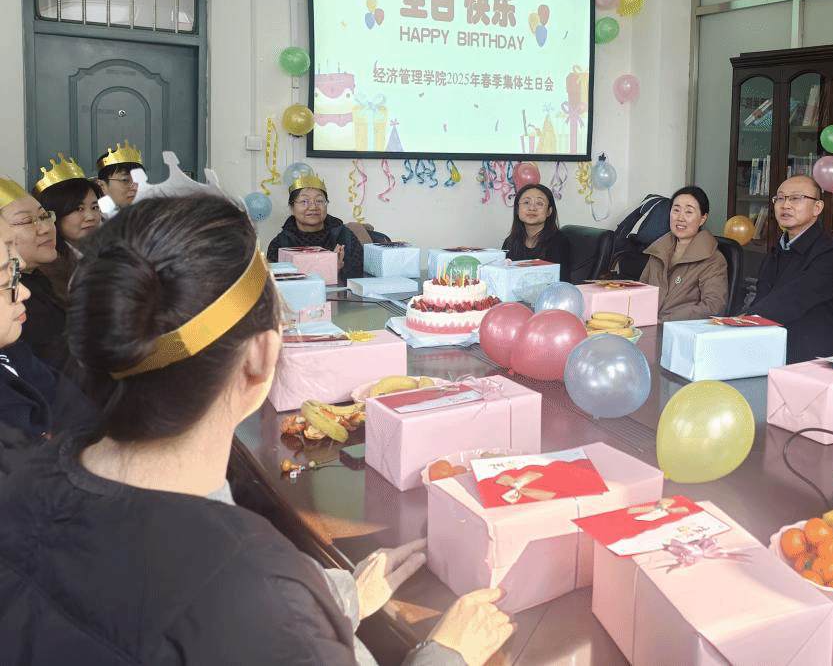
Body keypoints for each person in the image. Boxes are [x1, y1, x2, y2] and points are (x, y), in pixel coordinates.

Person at [0, 195, 514, 665]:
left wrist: (335, 598)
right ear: (261, 355)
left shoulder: (20, 479)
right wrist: (447, 653)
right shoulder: (254, 597)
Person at [747, 174, 833, 363]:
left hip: (813, 356)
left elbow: (794, 298)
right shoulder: (779, 247)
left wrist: (745, 320)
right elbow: (763, 295)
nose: (785, 205)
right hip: (773, 343)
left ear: (817, 207)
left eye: (795, 198)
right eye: (780, 198)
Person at [0, 190, 59, 446]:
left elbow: (74, 405)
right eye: (6, 279)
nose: (24, 293)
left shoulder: (15, 351)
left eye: (45, 216)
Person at [1, 176, 67, 373]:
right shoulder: (11, 302)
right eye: (27, 221)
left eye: (45, 216)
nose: (46, 229)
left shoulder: (42, 276)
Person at [639, 186, 728, 321]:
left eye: (688, 212)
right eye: (676, 210)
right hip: (646, 325)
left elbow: (713, 306)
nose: (680, 218)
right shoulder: (658, 250)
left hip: (680, 329)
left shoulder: (713, 260)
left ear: (702, 219)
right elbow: (641, 291)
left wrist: (665, 320)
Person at [266, 174, 364, 282]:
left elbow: (359, 280)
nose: (313, 207)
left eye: (319, 201)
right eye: (304, 201)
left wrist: (339, 269)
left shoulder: (345, 237)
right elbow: (274, 285)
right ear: (292, 208)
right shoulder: (279, 244)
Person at [502, 183, 571, 278]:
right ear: (517, 209)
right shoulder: (510, 242)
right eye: (526, 202)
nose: (532, 208)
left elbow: (560, 282)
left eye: (539, 203)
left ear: (549, 211)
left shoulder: (559, 243)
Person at [95, 141, 143, 216]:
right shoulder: (94, 219)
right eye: (125, 180)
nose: (135, 187)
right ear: (102, 186)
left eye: (138, 180)